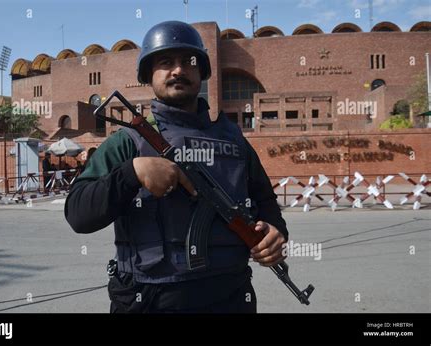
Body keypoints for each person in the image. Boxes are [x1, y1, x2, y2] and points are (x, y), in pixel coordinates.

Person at [64, 21, 289, 313]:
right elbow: (78, 214)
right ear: (149, 75)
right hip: (151, 299)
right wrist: (132, 173)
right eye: (166, 62)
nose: (179, 70)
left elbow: (264, 200)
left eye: (188, 62)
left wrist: (275, 232)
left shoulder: (234, 141)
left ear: (202, 72)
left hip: (231, 296)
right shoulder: (128, 142)